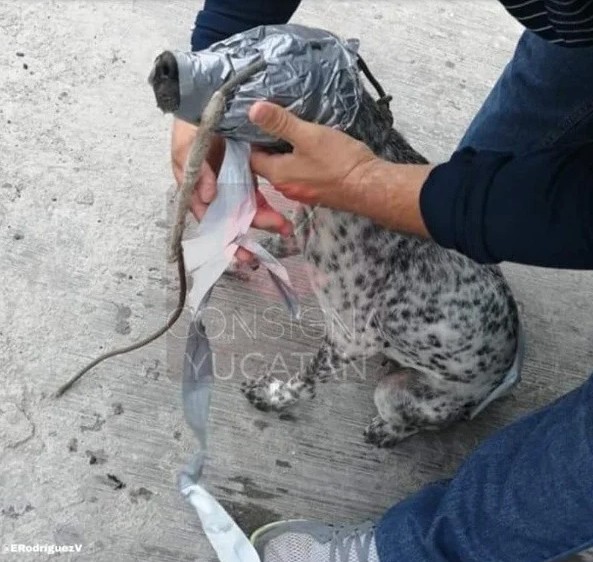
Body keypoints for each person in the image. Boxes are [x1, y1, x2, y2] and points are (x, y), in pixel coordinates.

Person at [172, 1, 593, 560]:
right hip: (574, 33)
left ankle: (420, 535)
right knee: (485, 162)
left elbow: (354, 341)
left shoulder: (353, 250)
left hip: (440, 383)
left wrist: (370, 185)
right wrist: (197, 92)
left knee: (387, 397)